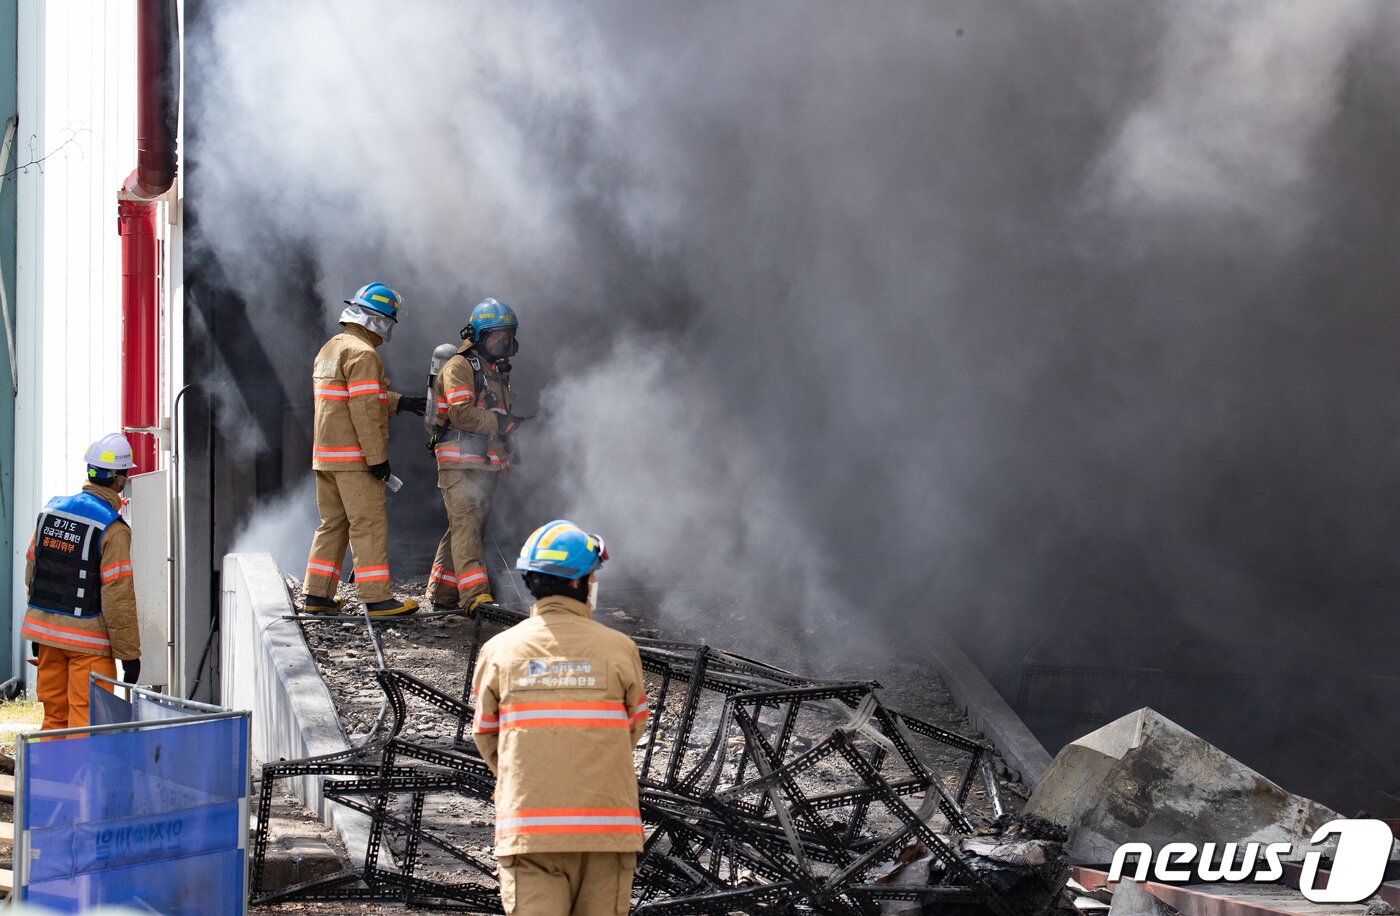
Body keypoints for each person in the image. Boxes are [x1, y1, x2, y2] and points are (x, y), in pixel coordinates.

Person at [472, 520, 647, 916]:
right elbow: (634, 726)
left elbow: (486, 735)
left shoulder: (500, 651)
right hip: (607, 835)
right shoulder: (620, 649)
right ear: (578, 584)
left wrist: (530, 769)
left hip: (531, 833)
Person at [302, 282, 426, 617]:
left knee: (332, 524)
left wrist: (402, 402)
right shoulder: (363, 354)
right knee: (368, 525)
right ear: (379, 319)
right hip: (355, 460)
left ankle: (317, 596)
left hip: (326, 458)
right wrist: (378, 460)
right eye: (389, 321)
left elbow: (352, 400)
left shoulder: (331, 348)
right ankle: (376, 598)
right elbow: (365, 410)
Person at [21, 434, 142, 730]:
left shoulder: (51, 511)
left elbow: (33, 573)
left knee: (54, 718)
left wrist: (41, 632)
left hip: (48, 637)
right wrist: (128, 655)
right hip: (89, 645)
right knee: (85, 722)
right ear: (120, 480)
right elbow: (118, 598)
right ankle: (80, 778)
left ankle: (50, 776)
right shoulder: (112, 529)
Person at [424, 297, 522, 613]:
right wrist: (499, 422)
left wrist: (506, 444)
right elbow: (462, 415)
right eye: (497, 336)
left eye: (508, 336)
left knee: (465, 527)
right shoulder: (459, 367)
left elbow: (495, 414)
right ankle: (475, 598)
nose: (504, 342)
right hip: (458, 460)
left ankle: (443, 593)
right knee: (467, 527)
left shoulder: (495, 372)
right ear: (479, 335)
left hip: (483, 463)